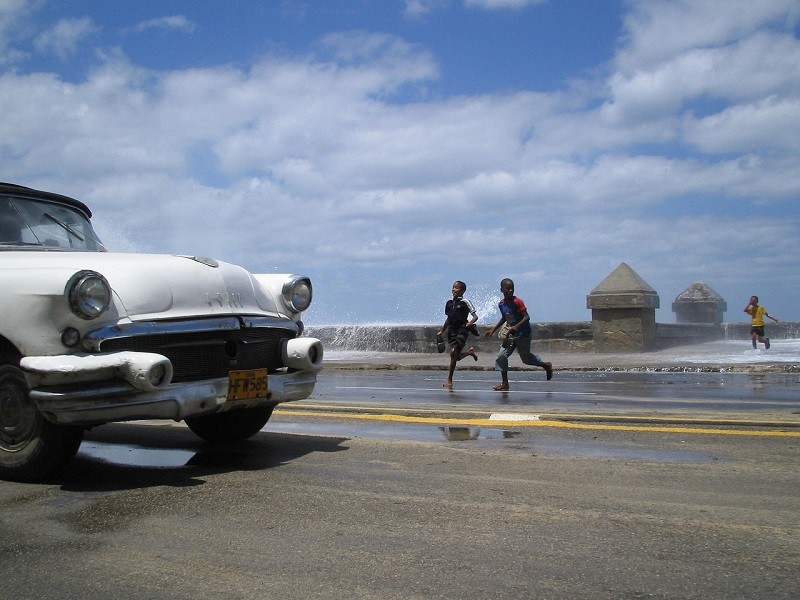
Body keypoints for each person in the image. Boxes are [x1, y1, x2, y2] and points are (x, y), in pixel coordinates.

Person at [484, 278, 552, 390]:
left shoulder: (518, 301)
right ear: (501, 289)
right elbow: (504, 318)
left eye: (512, 288)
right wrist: (493, 330)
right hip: (510, 335)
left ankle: (546, 365)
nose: (510, 290)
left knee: (526, 359)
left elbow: (526, 317)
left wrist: (516, 326)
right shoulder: (501, 304)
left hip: (523, 334)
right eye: (508, 288)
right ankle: (505, 383)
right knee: (502, 355)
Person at [438, 280, 478, 389]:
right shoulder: (449, 303)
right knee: (455, 356)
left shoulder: (465, 302)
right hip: (451, 332)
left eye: (457, 288)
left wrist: (470, 323)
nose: (454, 289)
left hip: (462, 330)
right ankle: (469, 353)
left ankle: (449, 379)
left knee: (453, 352)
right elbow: (448, 319)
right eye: (453, 287)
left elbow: (475, 316)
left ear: (463, 290)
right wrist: (442, 330)